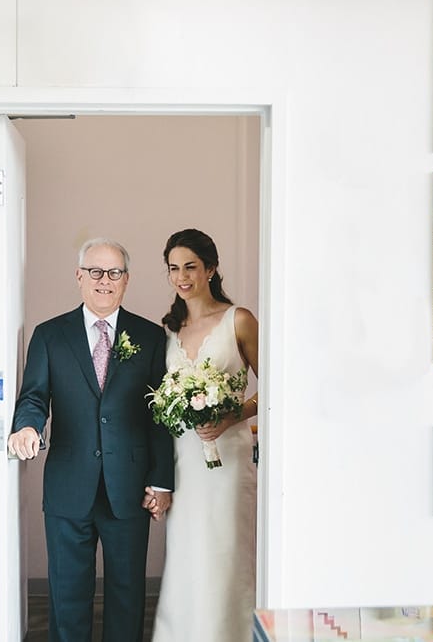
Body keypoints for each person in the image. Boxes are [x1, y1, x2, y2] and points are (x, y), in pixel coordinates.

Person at [7, 237, 174, 642]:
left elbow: (161, 416)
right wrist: (26, 426)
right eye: (95, 272)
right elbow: (33, 396)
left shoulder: (151, 337)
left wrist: (162, 479)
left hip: (130, 486)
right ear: (79, 277)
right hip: (68, 482)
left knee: (127, 592)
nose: (105, 280)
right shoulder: (49, 335)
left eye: (114, 273)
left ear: (127, 280)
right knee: (67, 593)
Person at [151, 228, 259, 642]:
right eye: (173, 268)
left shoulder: (240, 320)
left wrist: (234, 415)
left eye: (191, 266)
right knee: (186, 555)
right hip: (183, 459)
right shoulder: (168, 331)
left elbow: (275, 392)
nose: (182, 276)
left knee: (226, 553)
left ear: (211, 269)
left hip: (228, 458)